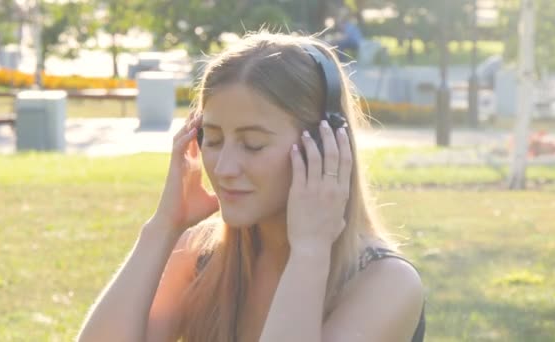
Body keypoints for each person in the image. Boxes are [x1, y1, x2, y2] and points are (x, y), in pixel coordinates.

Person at [77, 31, 425, 342]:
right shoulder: (201, 256)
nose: (224, 168)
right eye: (212, 139)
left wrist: (309, 252)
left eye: (253, 144)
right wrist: (162, 227)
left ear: (323, 147)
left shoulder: (386, 283)